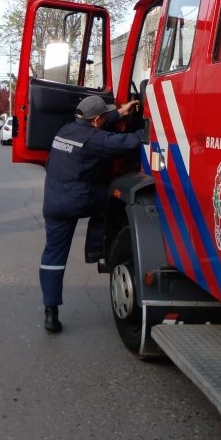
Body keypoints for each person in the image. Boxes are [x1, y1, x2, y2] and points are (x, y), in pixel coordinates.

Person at [40, 96, 142, 333]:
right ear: (97, 119)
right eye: (105, 116)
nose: (106, 117)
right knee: (111, 198)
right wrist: (147, 132)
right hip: (79, 200)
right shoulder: (95, 139)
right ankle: (96, 246)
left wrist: (119, 112)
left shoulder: (65, 130)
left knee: (53, 256)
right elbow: (127, 143)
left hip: (53, 203)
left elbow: (97, 127)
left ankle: (50, 311)